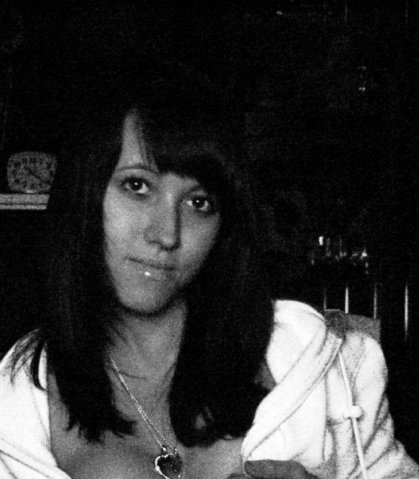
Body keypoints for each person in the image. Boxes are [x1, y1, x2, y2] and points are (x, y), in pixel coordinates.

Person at [0, 59, 418, 479]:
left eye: (198, 202)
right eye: (137, 186)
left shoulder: (319, 366)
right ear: (84, 194)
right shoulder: (17, 402)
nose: (167, 234)